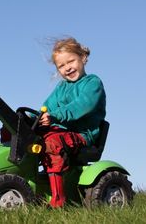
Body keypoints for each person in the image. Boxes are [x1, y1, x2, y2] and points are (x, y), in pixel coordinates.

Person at [39, 37, 106, 208]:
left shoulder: (92, 83)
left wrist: (56, 116)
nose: (67, 68)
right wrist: (35, 119)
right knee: (23, 135)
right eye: (61, 66)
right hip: (61, 131)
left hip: (82, 135)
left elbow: (82, 105)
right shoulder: (61, 88)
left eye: (71, 61)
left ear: (82, 57)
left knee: (52, 143)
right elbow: (47, 107)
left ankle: (58, 200)